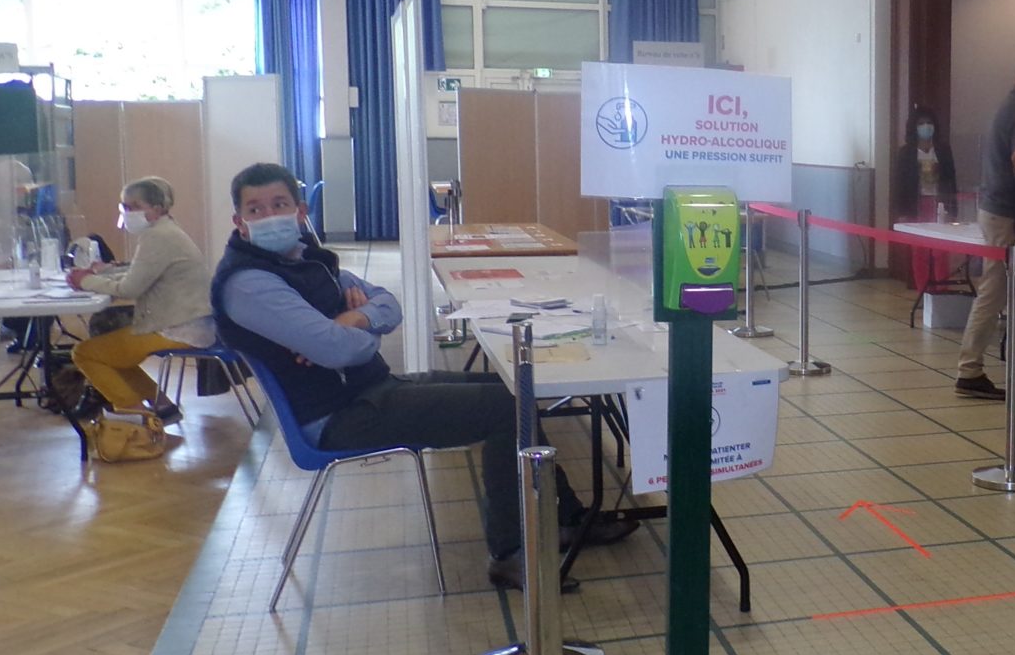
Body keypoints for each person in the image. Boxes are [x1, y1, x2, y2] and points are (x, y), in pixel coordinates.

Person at [210, 163, 634, 591]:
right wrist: (354, 331)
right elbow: (337, 349)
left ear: (300, 211)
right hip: (338, 416)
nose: (269, 216)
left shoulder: (307, 260)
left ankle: (566, 519)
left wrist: (353, 319)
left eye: (279, 204)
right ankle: (509, 554)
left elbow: (388, 304)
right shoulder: (249, 283)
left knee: (511, 387)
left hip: (370, 389)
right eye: (256, 209)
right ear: (239, 221)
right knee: (504, 410)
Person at [66, 177, 215, 425]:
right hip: (190, 323)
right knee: (112, 353)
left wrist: (86, 281)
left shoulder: (157, 237)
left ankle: (139, 419)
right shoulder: (166, 230)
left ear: (156, 209)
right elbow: (139, 274)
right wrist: (98, 275)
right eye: (124, 206)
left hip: (180, 329)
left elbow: (129, 288)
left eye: (134, 206)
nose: (128, 212)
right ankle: (162, 407)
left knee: (85, 353)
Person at [954, 53, 1015, 400]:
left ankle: (1014, 367)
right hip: (1007, 212)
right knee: (996, 290)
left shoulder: (1012, 106)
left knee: (1005, 290)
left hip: (996, 208)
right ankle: (970, 369)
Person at [890, 105, 959, 294]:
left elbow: (951, 180)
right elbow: (900, 184)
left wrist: (953, 209)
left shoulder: (943, 150)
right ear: (914, 127)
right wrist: (902, 212)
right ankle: (924, 293)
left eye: (929, 123)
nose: (926, 126)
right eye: (921, 123)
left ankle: (942, 292)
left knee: (941, 250)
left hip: (939, 204)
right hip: (916, 205)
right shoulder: (906, 153)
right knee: (919, 251)